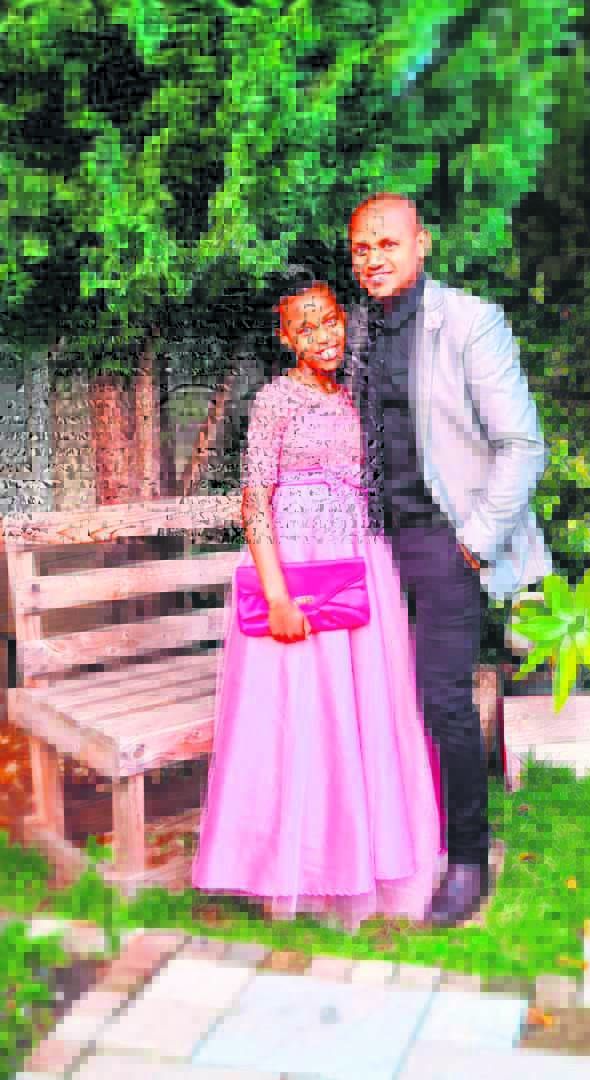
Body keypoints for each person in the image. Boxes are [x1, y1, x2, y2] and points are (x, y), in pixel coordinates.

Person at [191, 275, 443, 932]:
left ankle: (367, 859)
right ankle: (292, 870)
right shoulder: (276, 400)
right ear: (286, 338)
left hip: (361, 569)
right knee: (300, 720)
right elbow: (254, 499)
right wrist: (276, 595)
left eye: (329, 319)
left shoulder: (359, 394)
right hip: (297, 573)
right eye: (306, 327)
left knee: (364, 716)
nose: (323, 335)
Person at [346, 193, 551, 927]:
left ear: (422, 243)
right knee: (382, 695)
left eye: (387, 243)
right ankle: (399, 836)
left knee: (441, 697)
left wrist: (475, 541)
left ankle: (467, 858)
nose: (374, 258)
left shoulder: (468, 321)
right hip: (375, 542)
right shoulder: (356, 330)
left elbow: (522, 445)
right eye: (362, 248)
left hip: (445, 540)